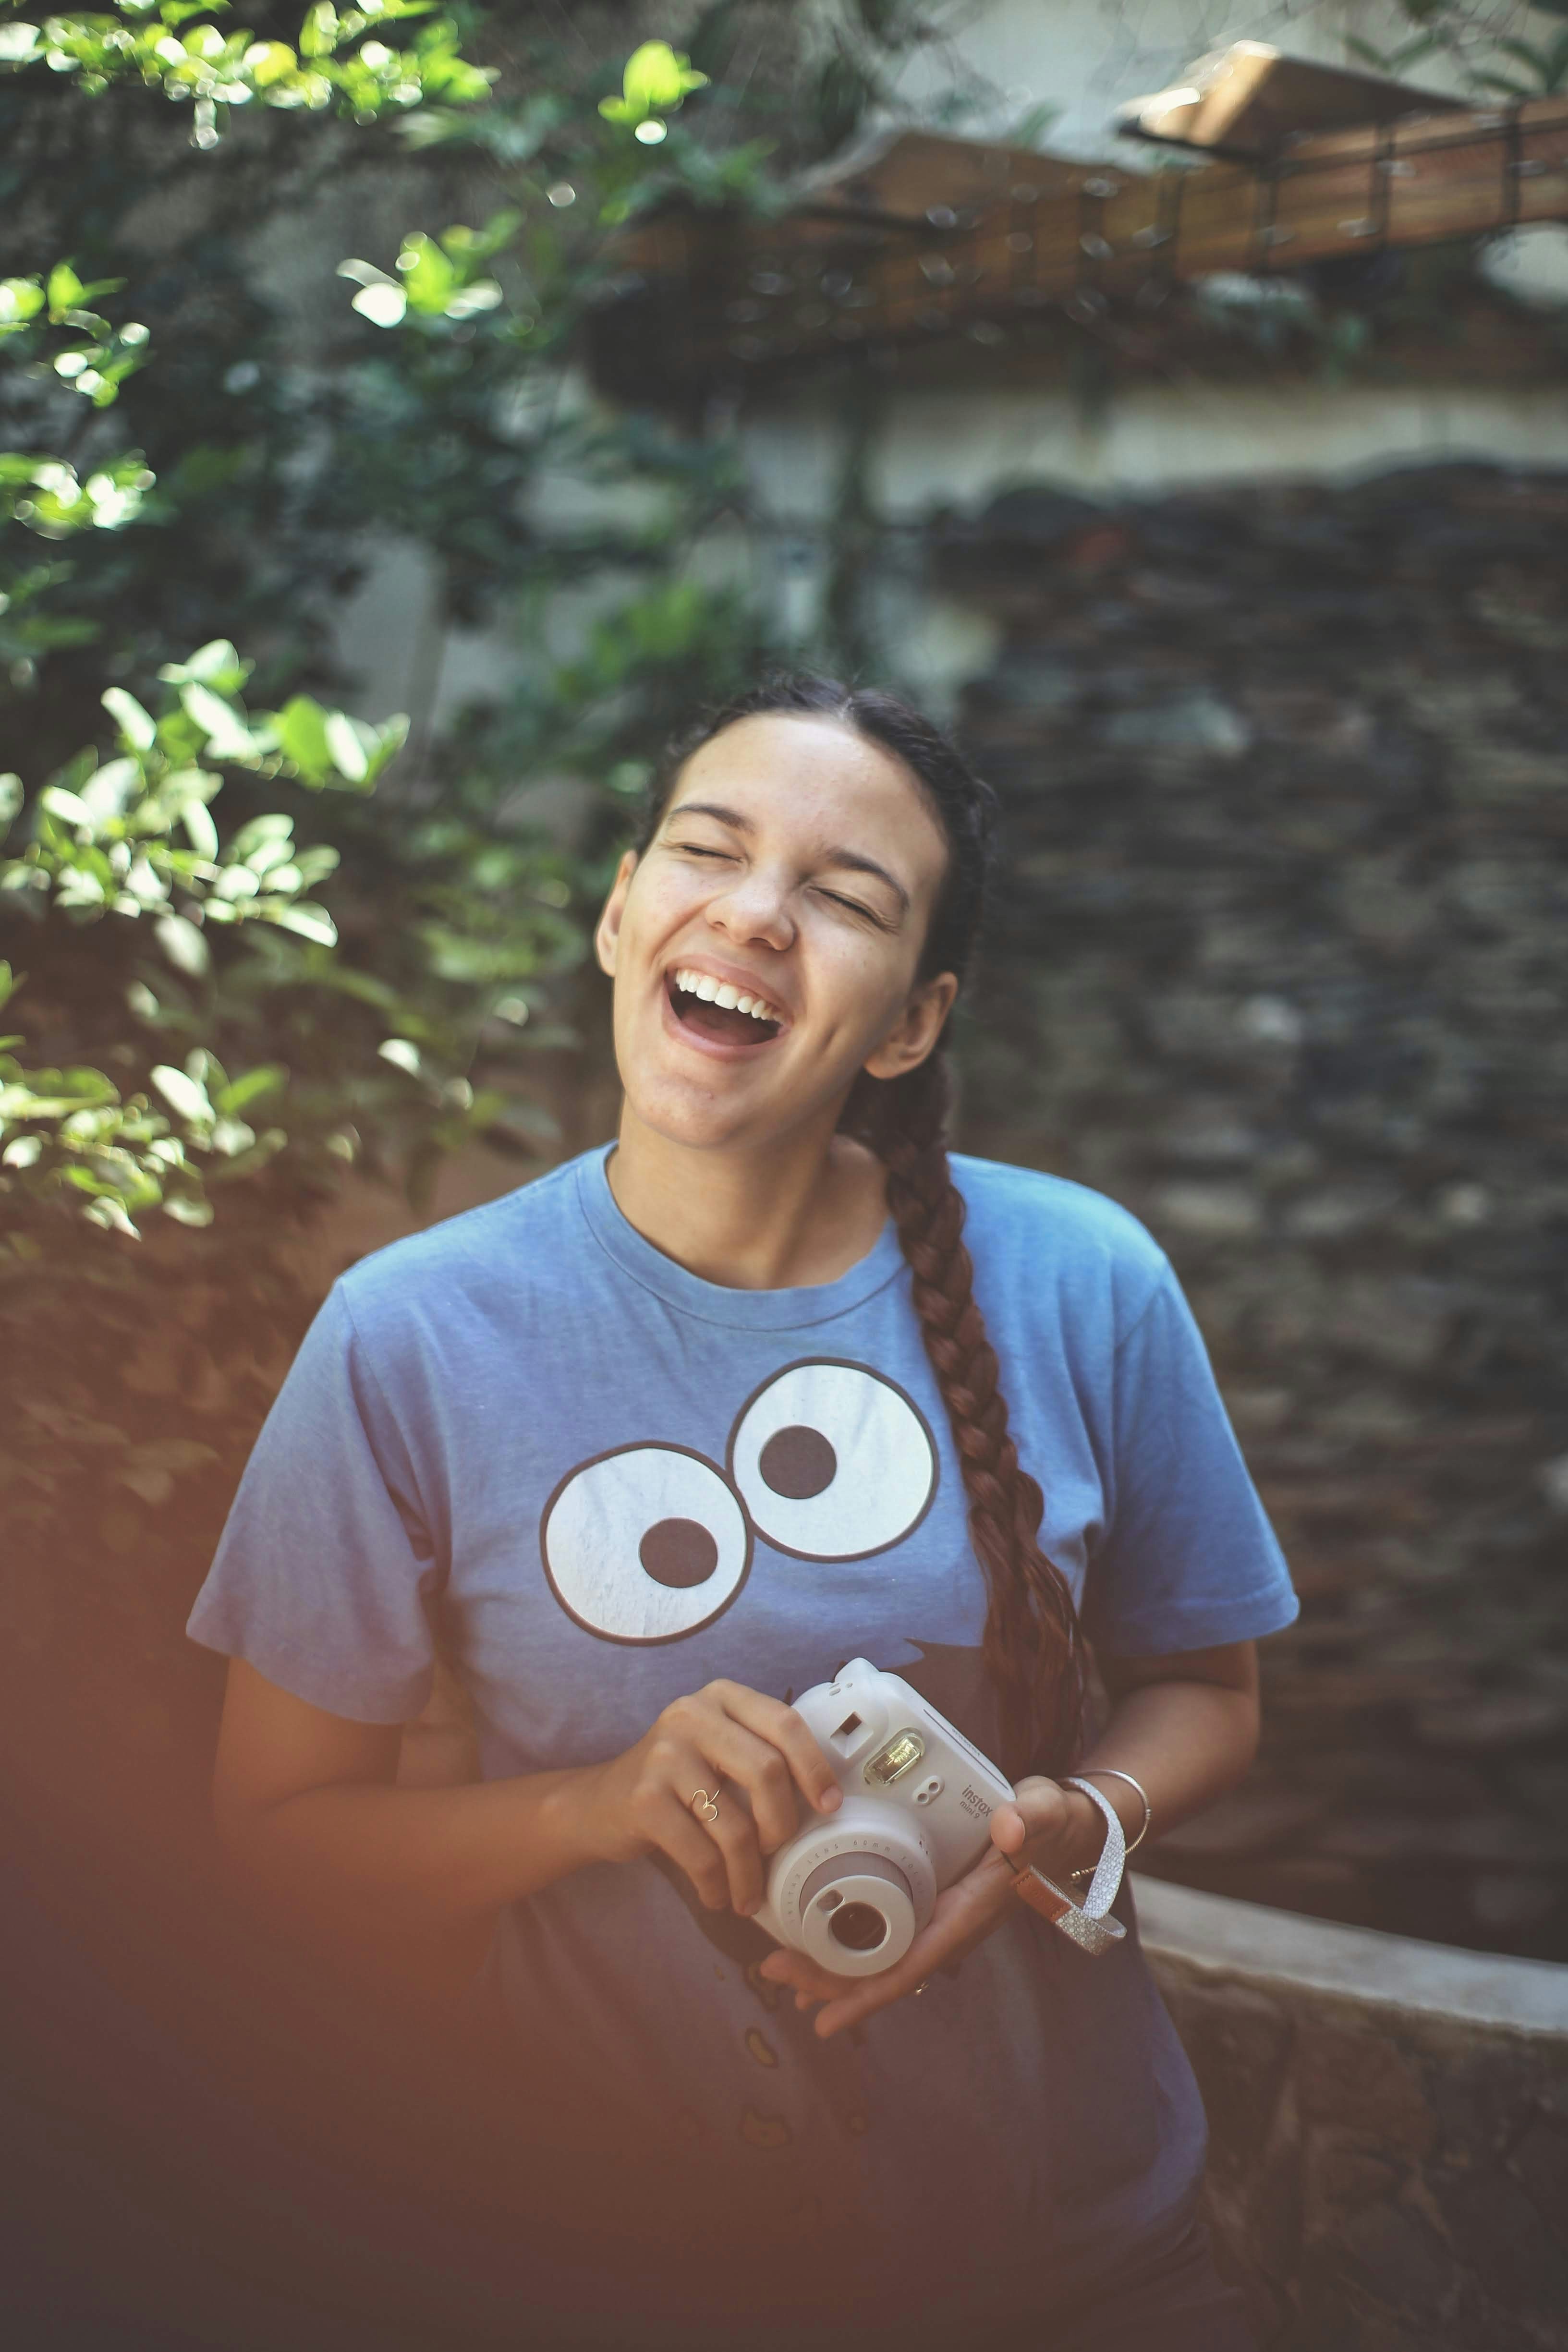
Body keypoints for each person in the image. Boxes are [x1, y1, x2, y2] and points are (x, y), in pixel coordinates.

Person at [188, 676, 1298, 2352]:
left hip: (1078, 2262)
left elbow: (1208, 1694)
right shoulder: (405, 1334)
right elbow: (273, 1844)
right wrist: (599, 1806)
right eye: (709, 851)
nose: (756, 915)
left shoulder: (1083, 1278)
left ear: (910, 1020)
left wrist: (1078, 1813)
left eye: (842, 897)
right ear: (622, 908)